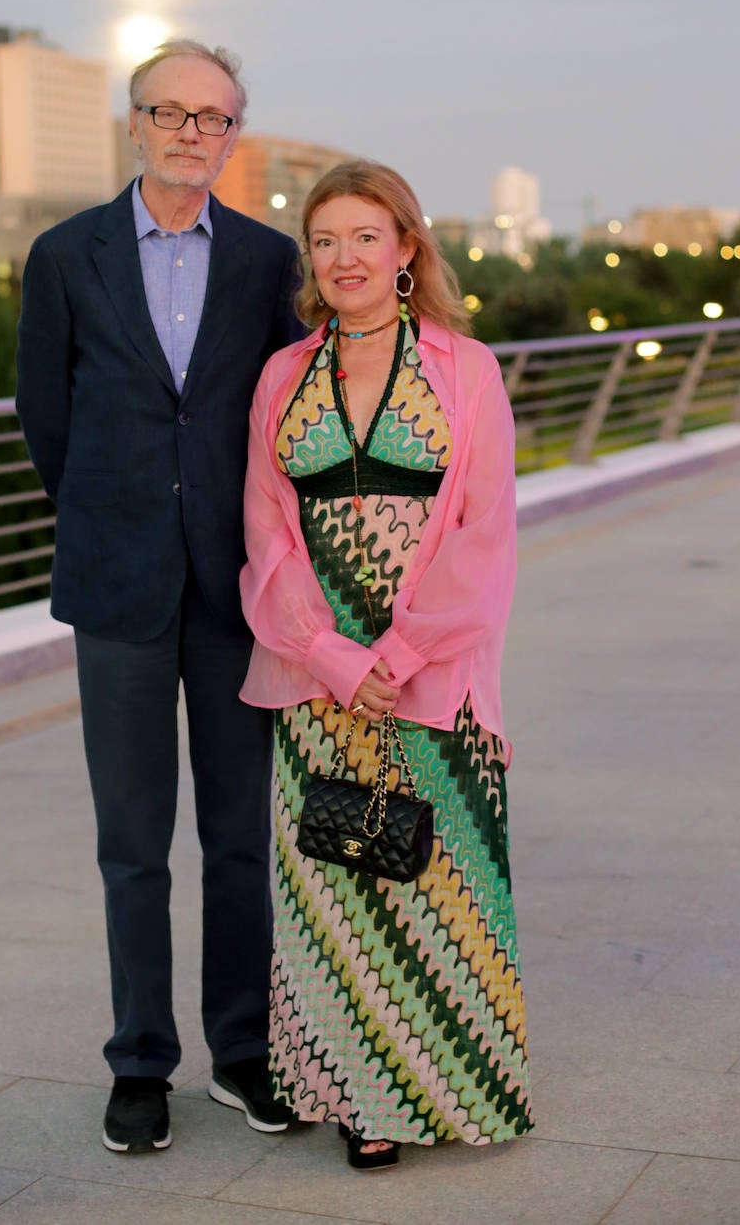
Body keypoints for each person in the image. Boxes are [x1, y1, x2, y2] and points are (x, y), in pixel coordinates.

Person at [16, 39, 302, 1154]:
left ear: (234, 134)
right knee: (131, 843)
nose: (190, 131)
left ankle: (240, 1053)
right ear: (133, 123)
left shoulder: (269, 262)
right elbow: (49, 420)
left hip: (239, 595)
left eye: (211, 116)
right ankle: (141, 1061)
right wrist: (118, 514)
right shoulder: (64, 255)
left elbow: (283, 421)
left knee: (238, 838)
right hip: (118, 585)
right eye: (167, 111)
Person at [239, 160, 533, 1170]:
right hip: (315, 678)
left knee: (439, 881)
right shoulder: (283, 375)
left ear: (406, 249)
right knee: (336, 893)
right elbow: (267, 533)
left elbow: (483, 535)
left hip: (434, 673)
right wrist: (325, 655)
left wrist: (397, 656)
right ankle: (360, 1099)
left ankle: (446, 1083)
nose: (344, 258)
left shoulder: (466, 367)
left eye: (366, 237)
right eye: (326, 241)